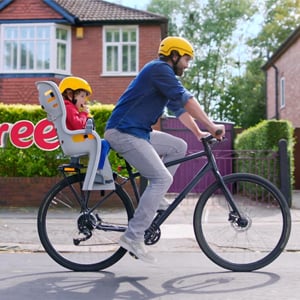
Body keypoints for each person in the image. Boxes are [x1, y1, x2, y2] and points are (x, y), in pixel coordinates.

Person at [104, 36, 225, 263]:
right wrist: (211, 125)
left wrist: (199, 133)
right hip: (124, 132)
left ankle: (156, 199)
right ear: (174, 54)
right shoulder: (159, 69)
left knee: (179, 146)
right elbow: (187, 99)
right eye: (186, 59)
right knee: (161, 179)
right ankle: (133, 236)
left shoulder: (161, 77)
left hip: (138, 131)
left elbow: (180, 109)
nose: (187, 65)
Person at [58, 76, 111, 184]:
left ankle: (98, 169)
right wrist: (84, 113)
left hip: (75, 140)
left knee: (102, 144)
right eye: (82, 96)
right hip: (75, 142)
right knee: (104, 144)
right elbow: (78, 125)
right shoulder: (68, 107)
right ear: (70, 94)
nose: (84, 100)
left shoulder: (69, 107)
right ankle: (97, 172)